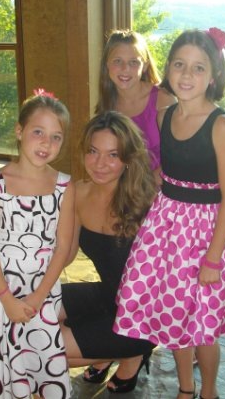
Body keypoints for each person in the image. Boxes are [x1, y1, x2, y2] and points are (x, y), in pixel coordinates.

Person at [113, 28, 225, 399]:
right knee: (173, 314)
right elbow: (165, 173)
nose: (187, 75)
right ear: (168, 69)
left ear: (213, 75)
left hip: (203, 236)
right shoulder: (166, 117)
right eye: (180, 65)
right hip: (166, 229)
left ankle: (209, 391)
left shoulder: (221, 125)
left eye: (198, 68)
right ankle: (186, 388)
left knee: (202, 326)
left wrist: (213, 257)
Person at [0, 91, 75, 399]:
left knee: (40, 359)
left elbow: (62, 247)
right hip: (0, 292)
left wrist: (38, 296)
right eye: (38, 132)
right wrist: (7, 300)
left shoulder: (64, 185)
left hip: (42, 291)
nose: (46, 143)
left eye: (56, 137)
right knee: (3, 365)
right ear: (19, 131)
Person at [59, 111, 157, 393]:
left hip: (142, 318)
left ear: (128, 158)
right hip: (107, 295)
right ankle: (109, 353)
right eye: (93, 151)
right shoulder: (78, 191)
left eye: (112, 155)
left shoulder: (149, 201)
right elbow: (65, 253)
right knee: (29, 315)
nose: (99, 164)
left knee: (43, 348)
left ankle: (132, 353)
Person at [97, 29, 176, 183]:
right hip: (125, 188)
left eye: (133, 62)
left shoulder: (163, 100)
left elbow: (178, 156)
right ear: (107, 64)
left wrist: (145, 188)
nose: (125, 68)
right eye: (117, 61)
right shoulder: (107, 107)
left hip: (162, 188)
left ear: (145, 65)